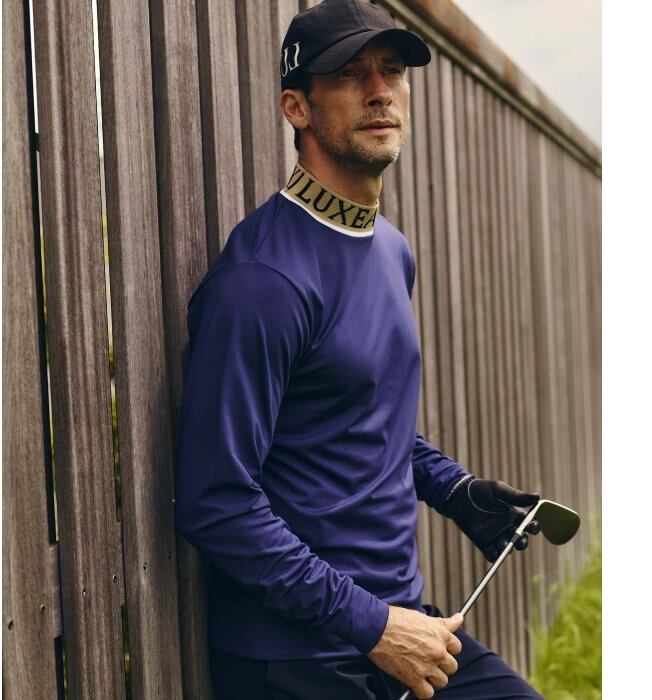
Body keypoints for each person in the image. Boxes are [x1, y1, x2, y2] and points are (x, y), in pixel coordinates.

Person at [174, 1, 543, 697]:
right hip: (296, 658)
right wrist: (372, 626)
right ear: (297, 107)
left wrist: (456, 490)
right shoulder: (263, 282)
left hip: (401, 624)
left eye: (392, 70)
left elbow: (358, 416)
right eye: (348, 74)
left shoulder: (389, 249)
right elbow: (215, 502)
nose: (379, 91)